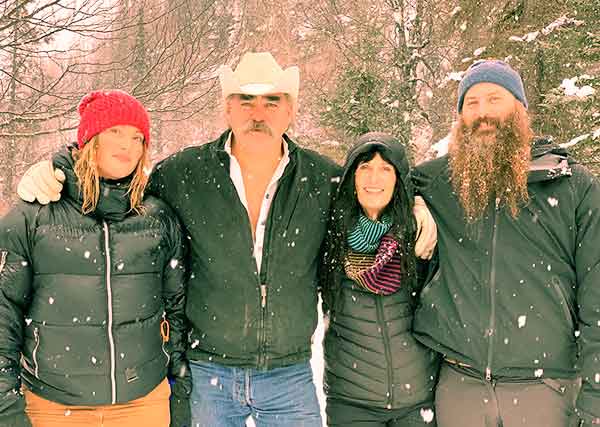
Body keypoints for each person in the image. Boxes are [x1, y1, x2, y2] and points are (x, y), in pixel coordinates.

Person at [15, 52, 438, 426]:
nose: (259, 112)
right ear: (227, 108)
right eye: (245, 100)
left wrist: (417, 205)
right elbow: (116, 191)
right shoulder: (183, 174)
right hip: (209, 375)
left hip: (288, 376)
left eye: (271, 101)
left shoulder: (321, 179)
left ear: (289, 111)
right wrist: (57, 169)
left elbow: (377, 190)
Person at [412, 59, 600, 427]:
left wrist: (595, 397)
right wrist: (415, 204)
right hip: (459, 390)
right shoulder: (439, 185)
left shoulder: (572, 187)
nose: (483, 113)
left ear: (520, 109)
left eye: (494, 99)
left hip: (545, 391)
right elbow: (377, 177)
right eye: (472, 103)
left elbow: (598, 300)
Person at [0, 90, 190, 427]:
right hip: (53, 406)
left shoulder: (158, 217)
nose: (127, 145)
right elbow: (3, 317)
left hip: (143, 404)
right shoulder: (33, 217)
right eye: (114, 131)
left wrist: (179, 392)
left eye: (137, 137)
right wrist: (7, 409)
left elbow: (177, 311)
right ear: (89, 139)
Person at [320, 132, 439, 427]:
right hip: (352, 402)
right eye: (365, 167)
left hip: (418, 400)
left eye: (386, 169)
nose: (375, 178)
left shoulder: (418, 233)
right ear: (352, 176)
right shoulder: (327, 230)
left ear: (399, 179)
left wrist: (421, 204)